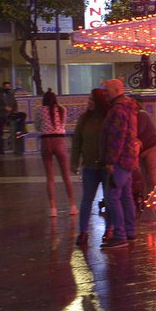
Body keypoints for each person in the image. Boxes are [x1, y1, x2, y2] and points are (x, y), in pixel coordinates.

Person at [100, 79, 142, 247]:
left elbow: (117, 137)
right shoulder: (130, 107)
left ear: (117, 90)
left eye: (107, 91)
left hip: (120, 160)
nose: (105, 94)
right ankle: (130, 231)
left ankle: (120, 234)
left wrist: (110, 160)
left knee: (112, 196)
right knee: (126, 196)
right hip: (130, 158)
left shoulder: (117, 110)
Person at [71, 89, 109, 247]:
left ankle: (110, 229)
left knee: (110, 199)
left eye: (92, 99)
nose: (89, 102)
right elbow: (77, 140)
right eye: (89, 99)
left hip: (106, 166)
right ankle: (83, 231)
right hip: (89, 166)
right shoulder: (84, 118)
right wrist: (74, 161)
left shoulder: (108, 117)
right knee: (87, 198)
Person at [35, 90, 76, 217]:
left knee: (50, 178)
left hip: (46, 142)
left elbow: (37, 127)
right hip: (60, 141)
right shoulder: (62, 110)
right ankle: (72, 206)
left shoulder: (40, 111)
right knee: (66, 176)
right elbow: (63, 124)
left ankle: (53, 209)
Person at [135, 99, 156, 225]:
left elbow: (139, 130)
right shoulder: (136, 115)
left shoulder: (141, 114)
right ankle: (149, 200)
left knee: (153, 174)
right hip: (145, 148)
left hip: (153, 145)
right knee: (146, 175)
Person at [0, 81, 16, 154]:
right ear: (3, 87)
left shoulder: (11, 95)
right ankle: (1, 149)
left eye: (9, 87)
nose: (8, 88)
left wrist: (14, 110)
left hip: (10, 115)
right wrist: (4, 107)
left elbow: (14, 105)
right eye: (6, 86)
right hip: (0, 116)